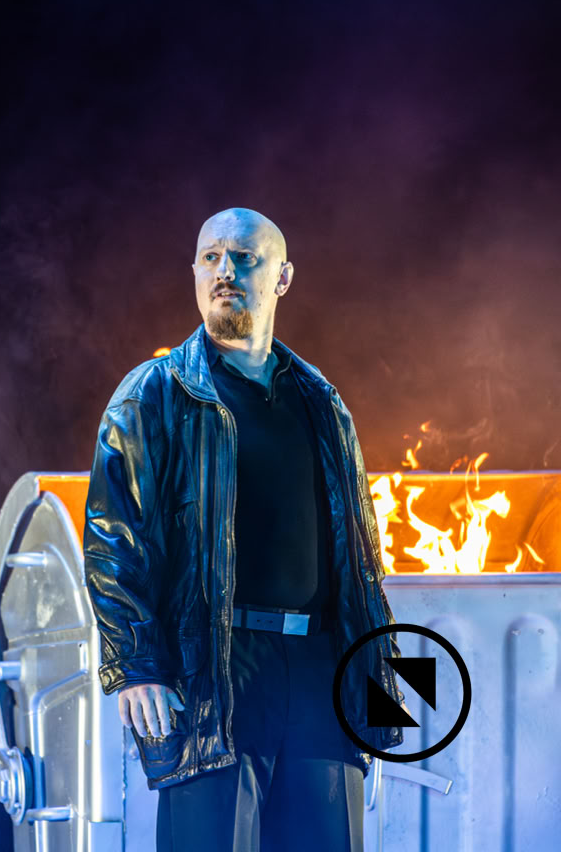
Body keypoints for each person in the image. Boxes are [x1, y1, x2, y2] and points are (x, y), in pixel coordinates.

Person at [83, 207, 405, 852]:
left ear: (282, 277)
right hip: (214, 672)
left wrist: (375, 671)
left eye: (244, 258)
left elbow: (356, 553)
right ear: (195, 272)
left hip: (320, 670)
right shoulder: (155, 394)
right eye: (211, 257)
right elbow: (113, 537)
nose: (224, 271)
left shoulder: (320, 400)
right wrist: (136, 665)